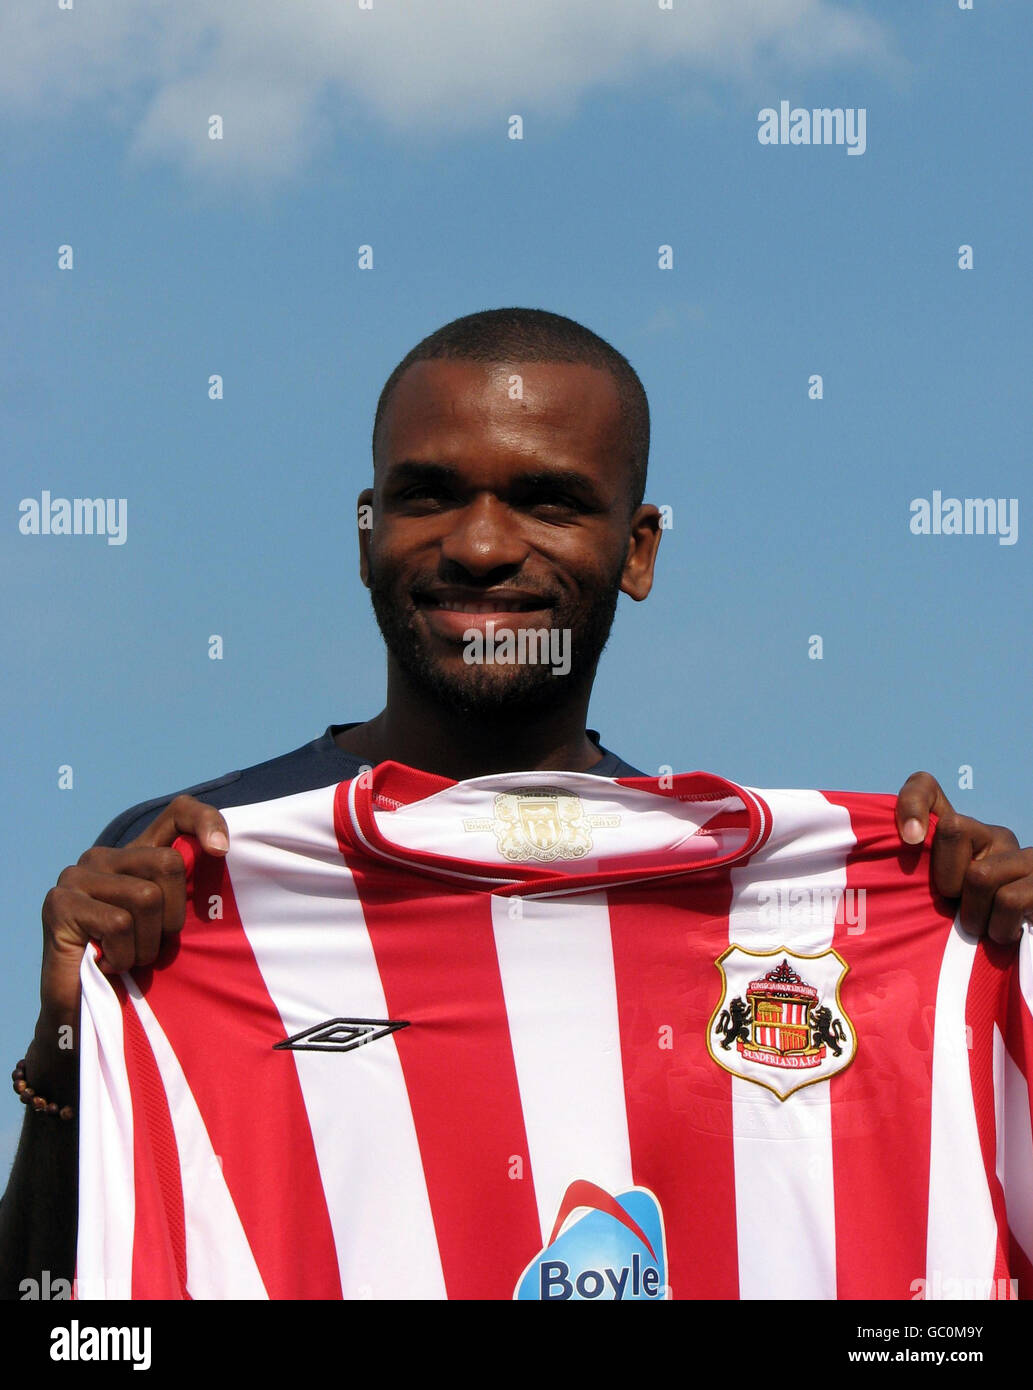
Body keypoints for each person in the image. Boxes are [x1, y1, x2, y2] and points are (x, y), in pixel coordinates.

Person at [2, 307, 1030, 1299]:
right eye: (428, 495)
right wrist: (65, 1038)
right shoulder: (201, 866)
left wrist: (980, 951)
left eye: (547, 501)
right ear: (365, 534)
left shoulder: (792, 912)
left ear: (637, 550)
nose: (482, 547)